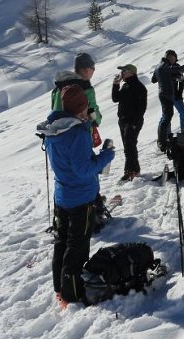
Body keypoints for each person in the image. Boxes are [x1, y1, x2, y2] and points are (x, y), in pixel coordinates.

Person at [37, 85, 115, 308]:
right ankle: (72, 295)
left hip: (62, 196)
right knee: (77, 246)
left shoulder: (53, 128)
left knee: (62, 242)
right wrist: (105, 157)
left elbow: (70, 158)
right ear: (80, 109)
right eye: (84, 108)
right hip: (81, 198)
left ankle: (60, 289)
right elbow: (83, 169)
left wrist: (85, 125)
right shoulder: (77, 134)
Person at [51, 53, 102, 146]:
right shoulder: (86, 89)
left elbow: (54, 110)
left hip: (58, 135)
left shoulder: (59, 87)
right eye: (93, 69)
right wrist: (96, 120)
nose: (93, 72)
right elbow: (93, 113)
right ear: (87, 69)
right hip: (79, 134)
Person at [111, 64, 147, 181]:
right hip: (123, 120)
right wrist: (115, 85)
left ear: (132, 72)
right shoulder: (125, 85)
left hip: (132, 122)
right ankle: (135, 169)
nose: (122, 73)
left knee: (129, 147)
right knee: (130, 146)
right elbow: (115, 98)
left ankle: (129, 171)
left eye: (124, 71)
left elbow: (142, 107)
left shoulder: (139, 87)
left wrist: (134, 123)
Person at [153, 50, 184, 151]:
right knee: (166, 117)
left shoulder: (174, 67)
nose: (174, 60)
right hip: (167, 95)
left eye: (175, 58)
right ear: (169, 57)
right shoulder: (164, 66)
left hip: (176, 95)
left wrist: (180, 81)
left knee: (182, 113)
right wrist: (165, 76)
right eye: (173, 58)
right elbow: (154, 79)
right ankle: (166, 137)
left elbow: (181, 80)